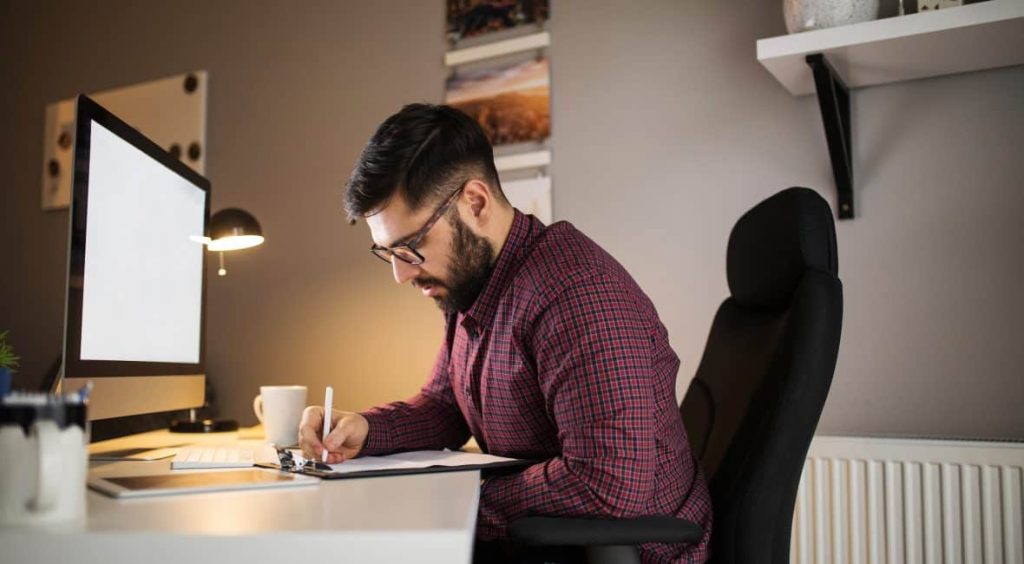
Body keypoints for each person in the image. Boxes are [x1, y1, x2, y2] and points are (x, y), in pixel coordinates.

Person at [298, 103, 712, 563]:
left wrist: (453, 502)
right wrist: (367, 429)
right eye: (387, 252)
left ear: (474, 203)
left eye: (410, 247)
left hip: (627, 552)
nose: (399, 274)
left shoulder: (577, 293)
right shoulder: (472, 285)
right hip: (547, 541)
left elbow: (608, 485)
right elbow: (445, 405)